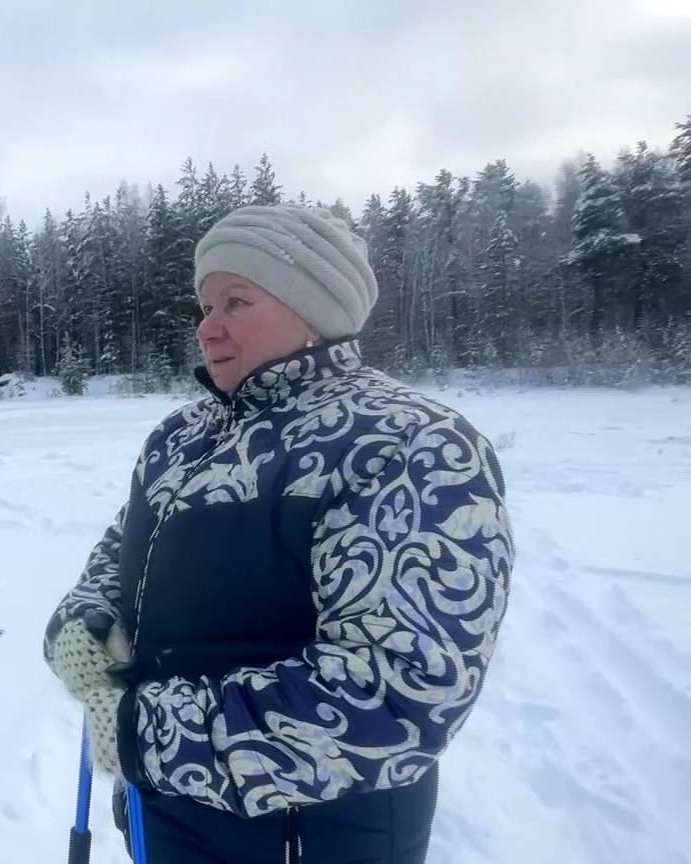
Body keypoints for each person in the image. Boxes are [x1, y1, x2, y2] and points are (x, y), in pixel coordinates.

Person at [44, 205, 513, 864]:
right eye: (203, 306)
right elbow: (122, 552)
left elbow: (397, 691)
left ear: (314, 307)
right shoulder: (180, 439)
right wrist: (87, 619)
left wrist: (142, 735)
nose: (207, 328)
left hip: (309, 839)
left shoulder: (406, 443)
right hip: (166, 821)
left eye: (236, 300)